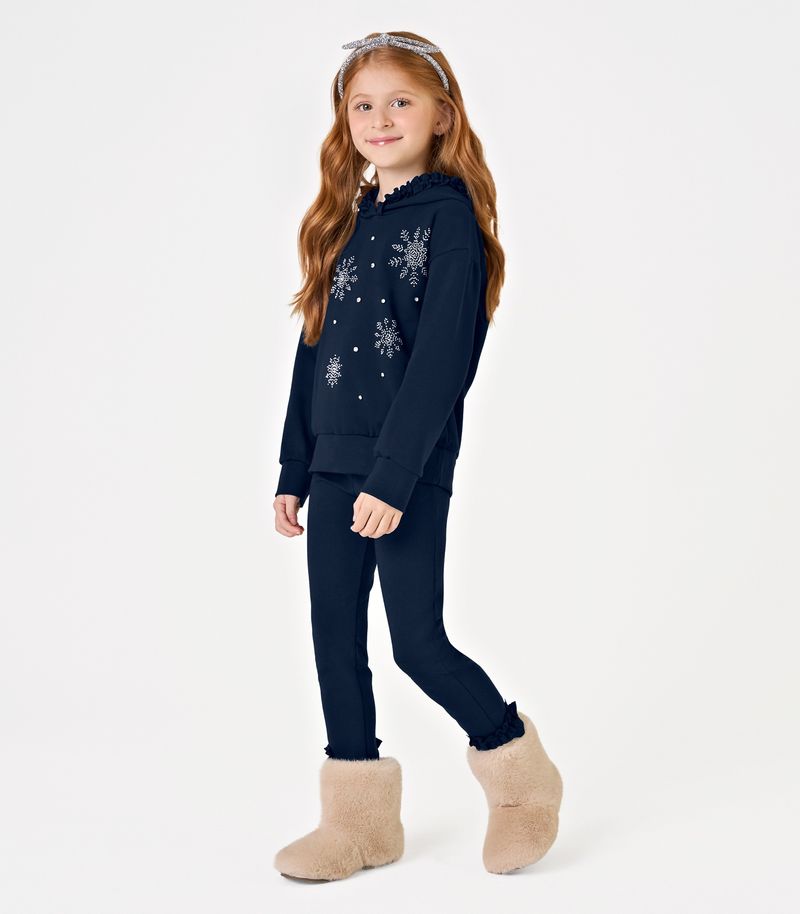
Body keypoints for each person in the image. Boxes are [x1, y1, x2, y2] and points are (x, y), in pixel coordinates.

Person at [272, 31, 563, 881]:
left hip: (405, 467)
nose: (379, 118)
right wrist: (294, 468)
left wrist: (395, 477)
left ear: (441, 114)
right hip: (333, 465)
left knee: (416, 643)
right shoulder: (346, 221)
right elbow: (313, 352)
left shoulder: (450, 221)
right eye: (363, 105)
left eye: (400, 101)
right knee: (334, 637)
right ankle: (359, 824)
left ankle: (521, 780)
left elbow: (441, 365)